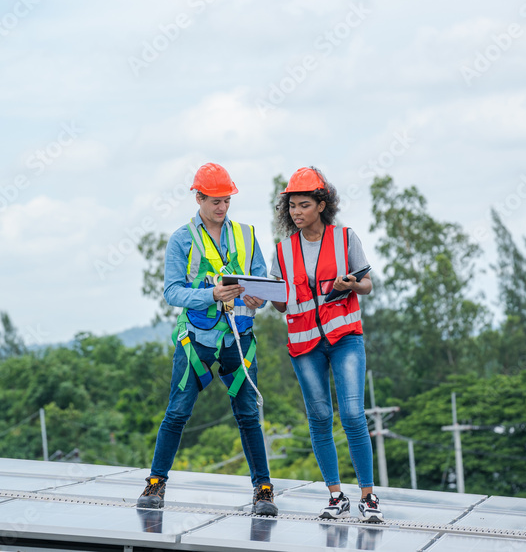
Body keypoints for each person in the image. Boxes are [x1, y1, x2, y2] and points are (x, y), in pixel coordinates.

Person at [137, 162, 278, 516]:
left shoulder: (246, 234)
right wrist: (212, 295)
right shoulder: (182, 239)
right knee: (177, 412)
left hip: (239, 337)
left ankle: (263, 490)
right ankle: (155, 483)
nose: (222, 207)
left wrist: (256, 297)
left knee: (248, 414)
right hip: (197, 340)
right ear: (198, 198)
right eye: (215, 200)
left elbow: (260, 278)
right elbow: (172, 292)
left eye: (227, 200)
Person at [270, 166, 382, 523]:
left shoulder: (345, 238)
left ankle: (368, 495)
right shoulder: (283, 250)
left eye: (304, 205)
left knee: (351, 415)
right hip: (304, 344)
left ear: (322, 204)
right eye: (291, 206)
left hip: (345, 337)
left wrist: (351, 285)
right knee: (319, 418)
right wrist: (266, 294)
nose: (296, 212)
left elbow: (366, 285)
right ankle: (336, 496)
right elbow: (282, 303)